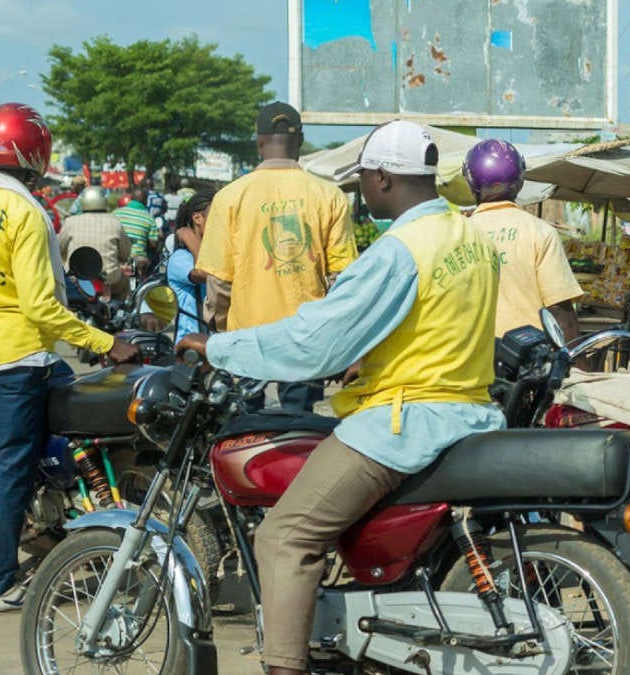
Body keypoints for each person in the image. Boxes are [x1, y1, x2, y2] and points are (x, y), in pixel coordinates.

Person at [176, 119, 504, 674]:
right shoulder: (468, 235)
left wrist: (219, 348)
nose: (360, 194)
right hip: (468, 412)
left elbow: (314, 342)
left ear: (380, 178)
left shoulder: (399, 249)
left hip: (402, 424)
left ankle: (284, 667)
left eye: (363, 183)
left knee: (285, 536)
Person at [0, 103, 137, 614]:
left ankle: (52, 517)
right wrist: (106, 343)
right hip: (17, 354)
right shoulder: (27, 211)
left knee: (3, 457)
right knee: (9, 466)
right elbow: (41, 307)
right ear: (34, 153)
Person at [196, 101, 357, 412]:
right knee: (299, 424)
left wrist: (220, 328)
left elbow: (219, 281)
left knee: (243, 422)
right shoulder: (328, 195)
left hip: (246, 337)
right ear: (300, 141)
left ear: (259, 143)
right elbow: (342, 278)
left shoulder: (230, 196)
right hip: (306, 336)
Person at [463, 139, 583, 339]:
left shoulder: (457, 234)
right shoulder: (540, 232)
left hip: (471, 358)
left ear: (470, 184)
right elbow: (561, 312)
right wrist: (579, 367)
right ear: (520, 182)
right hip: (529, 360)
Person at [58, 186, 134, 300]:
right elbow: (125, 253)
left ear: (83, 202)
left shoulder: (70, 222)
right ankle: (120, 311)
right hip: (109, 279)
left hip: (76, 281)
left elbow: (58, 247)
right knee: (125, 282)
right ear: (104, 201)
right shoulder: (115, 223)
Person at [167, 190, 214, 341]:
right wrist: (190, 238)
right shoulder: (180, 258)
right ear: (197, 218)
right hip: (191, 348)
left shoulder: (216, 255)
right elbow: (205, 273)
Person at [113, 186, 160, 271]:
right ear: (146, 201)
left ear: (131, 199)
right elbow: (154, 245)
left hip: (118, 257)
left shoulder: (116, 213)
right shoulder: (149, 218)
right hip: (138, 259)